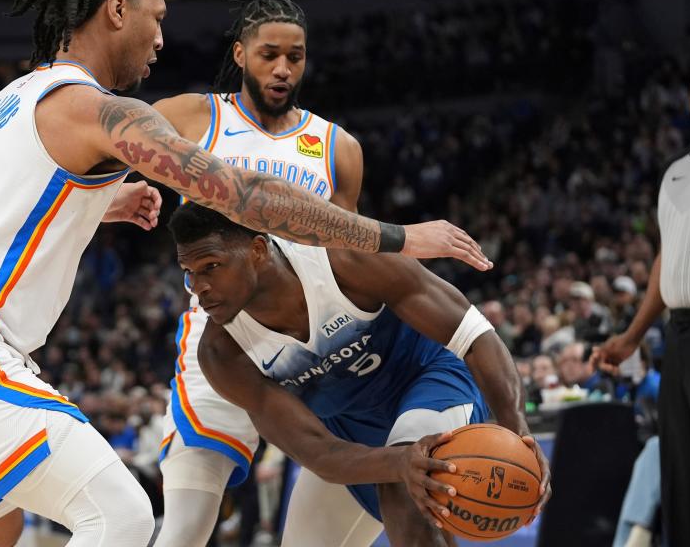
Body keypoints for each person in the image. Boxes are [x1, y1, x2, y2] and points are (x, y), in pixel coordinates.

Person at [0, 0, 491, 547]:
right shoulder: (98, 110)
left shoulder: (14, 99)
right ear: (115, 10)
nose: (162, 38)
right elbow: (243, 197)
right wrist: (394, 236)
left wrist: (99, 202)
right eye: (154, 17)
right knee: (123, 520)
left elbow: (4, 190)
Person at [168, 202, 550, 546]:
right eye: (189, 273)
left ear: (257, 250)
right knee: (395, 473)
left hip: (427, 379)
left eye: (211, 267)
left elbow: (474, 335)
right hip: (347, 430)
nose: (199, 288)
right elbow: (318, 451)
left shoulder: (342, 259)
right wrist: (398, 462)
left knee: (405, 484)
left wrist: (519, 430)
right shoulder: (223, 354)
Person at [594, 142, 690, 547]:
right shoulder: (675, 174)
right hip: (681, 333)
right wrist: (633, 337)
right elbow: (668, 259)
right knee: (681, 478)